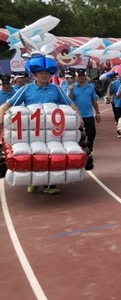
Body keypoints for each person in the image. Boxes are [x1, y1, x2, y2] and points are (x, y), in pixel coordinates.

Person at [0, 56, 82, 195]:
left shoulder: (56, 89)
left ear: (50, 74)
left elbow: (70, 103)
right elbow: (8, 104)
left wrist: (78, 117)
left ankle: (50, 184)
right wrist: (1, 116)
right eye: (41, 73)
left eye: (46, 73)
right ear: (34, 75)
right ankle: (33, 181)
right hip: (32, 130)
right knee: (35, 154)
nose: (44, 76)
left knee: (52, 154)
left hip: (53, 130)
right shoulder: (26, 89)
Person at [69, 69, 101, 153]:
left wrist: (97, 112)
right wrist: (71, 90)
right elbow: (69, 100)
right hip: (77, 115)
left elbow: (94, 100)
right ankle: (81, 150)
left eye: (82, 75)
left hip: (89, 114)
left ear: (85, 76)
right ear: (76, 77)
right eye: (79, 76)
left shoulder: (90, 87)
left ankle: (90, 149)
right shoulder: (73, 87)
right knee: (79, 135)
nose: (81, 77)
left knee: (91, 134)